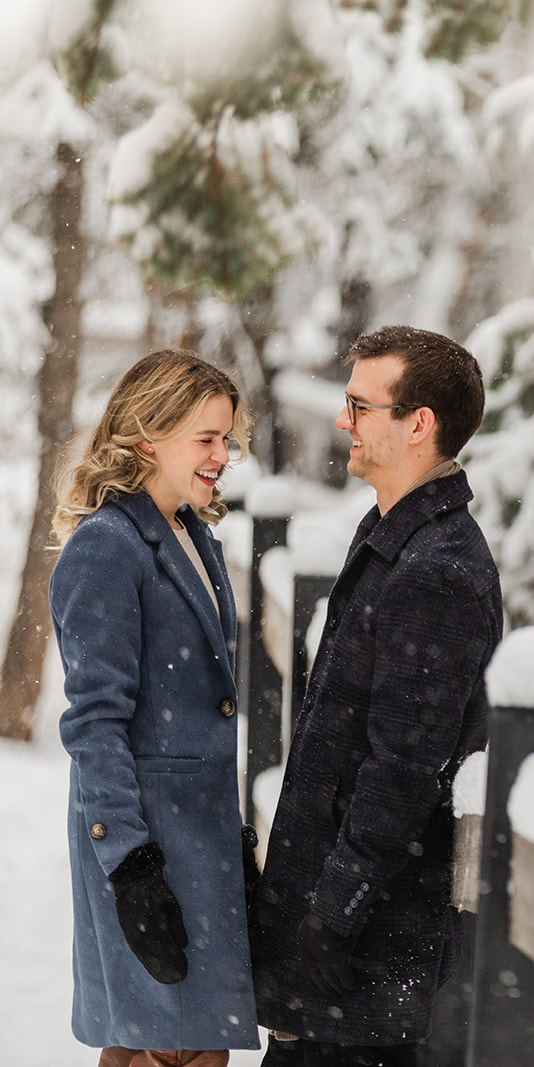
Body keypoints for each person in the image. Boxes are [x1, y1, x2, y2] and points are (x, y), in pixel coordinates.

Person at [249, 326, 503, 1067]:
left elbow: (403, 766)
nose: (342, 420)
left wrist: (337, 908)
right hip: (340, 955)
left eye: (360, 405)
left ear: (418, 423)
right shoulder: (395, 534)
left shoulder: (438, 569)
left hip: (365, 962)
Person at [50, 349, 260, 1067]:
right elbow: (94, 723)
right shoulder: (107, 547)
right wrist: (131, 868)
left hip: (197, 849)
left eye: (226, 438)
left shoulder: (191, 534)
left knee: (192, 1047)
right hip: (150, 850)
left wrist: (230, 839)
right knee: (163, 1050)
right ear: (148, 437)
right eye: (206, 438)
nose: (222, 456)